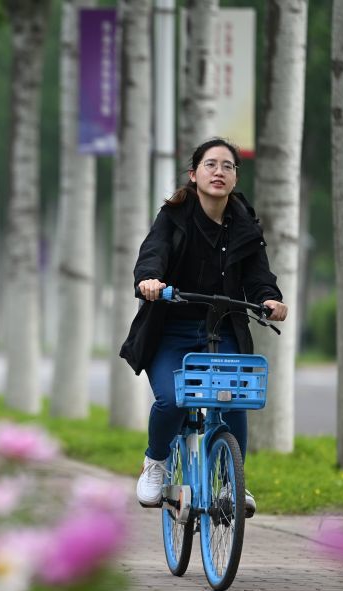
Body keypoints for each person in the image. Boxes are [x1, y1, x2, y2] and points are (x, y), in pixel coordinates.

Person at [119, 137, 288, 516]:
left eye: (227, 166)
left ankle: (231, 482)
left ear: (234, 177)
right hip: (171, 332)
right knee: (172, 399)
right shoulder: (174, 217)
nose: (219, 172)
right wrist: (150, 281)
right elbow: (153, 255)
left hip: (223, 328)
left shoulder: (245, 224)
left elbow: (261, 276)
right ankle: (156, 461)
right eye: (210, 165)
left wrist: (270, 298)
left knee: (232, 401)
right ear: (194, 175)